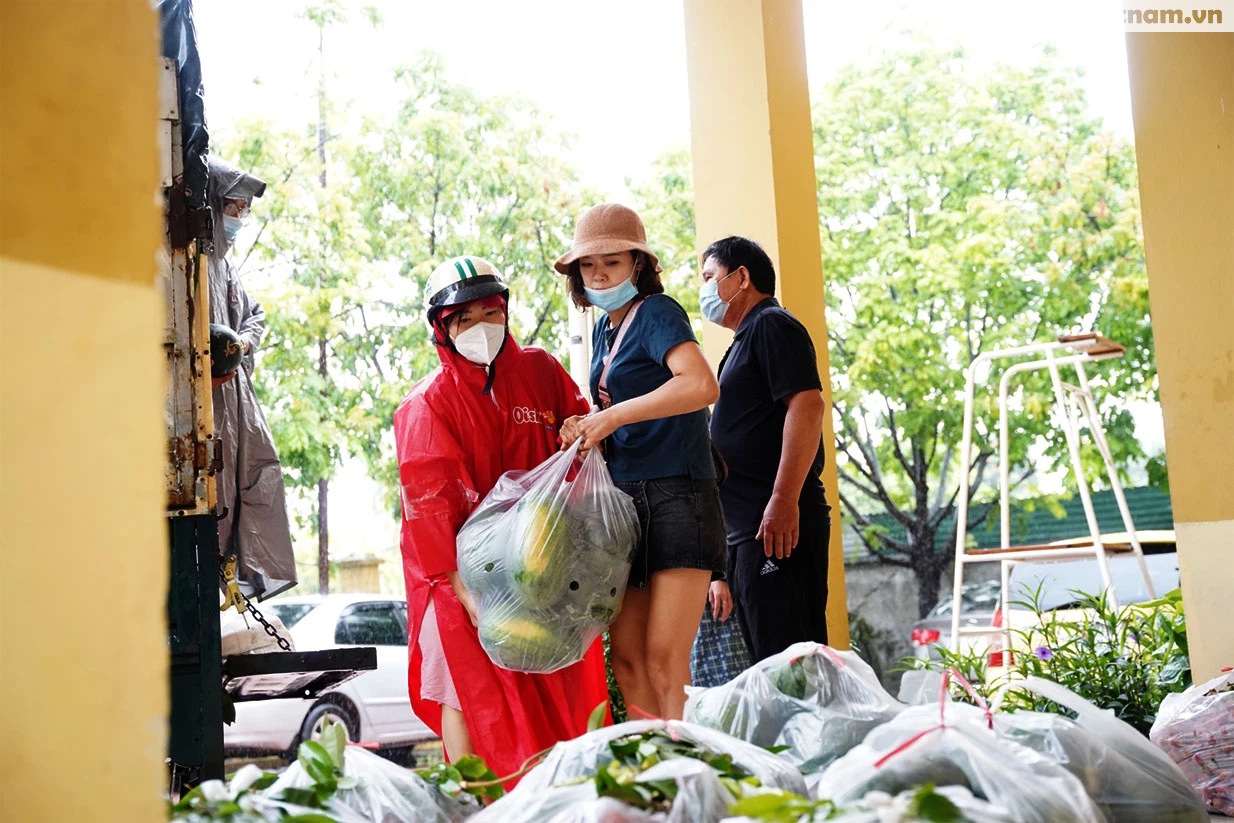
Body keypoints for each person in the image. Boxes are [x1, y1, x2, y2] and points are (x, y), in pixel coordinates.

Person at [394, 256, 610, 776]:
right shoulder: (427, 404)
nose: (481, 328)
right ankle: (473, 795)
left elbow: (581, 432)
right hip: (457, 572)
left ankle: (557, 790)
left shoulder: (541, 371)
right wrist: (457, 586)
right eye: (464, 320)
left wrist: (580, 430)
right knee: (462, 683)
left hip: (546, 561)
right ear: (441, 328)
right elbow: (428, 505)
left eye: (491, 313)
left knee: (554, 680)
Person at [555, 203, 725, 720]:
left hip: (678, 497)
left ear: (638, 263)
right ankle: (653, 779)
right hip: (623, 505)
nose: (600, 273)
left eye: (612, 260)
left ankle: (692, 782)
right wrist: (587, 429)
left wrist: (610, 418)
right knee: (626, 662)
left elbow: (700, 385)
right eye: (588, 265)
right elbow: (624, 416)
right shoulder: (607, 329)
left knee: (663, 661)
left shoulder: (658, 312)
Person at [700, 236, 831, 661]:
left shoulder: (772, 324)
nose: (703, 289)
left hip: (778, 529)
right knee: (769, 668)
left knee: (791, 665)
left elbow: (808, 405)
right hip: (749, 535)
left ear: (741, 277)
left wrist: (783, 499)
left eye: (708, 277)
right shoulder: (742, 340)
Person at [206, 158, 297, 600]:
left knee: (254, 484)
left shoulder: (226, 270)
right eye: (233, 206)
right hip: (210, 411)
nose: (238, 217)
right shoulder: (184, 266)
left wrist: (241, 345)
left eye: (244, 209)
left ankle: (236, 579)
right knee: (214, 495)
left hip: (239, 409)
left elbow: (255, 316)